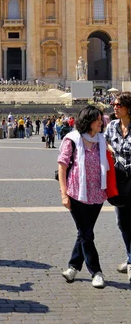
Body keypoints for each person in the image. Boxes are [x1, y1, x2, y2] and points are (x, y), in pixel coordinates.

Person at [57, 106, 108, 289]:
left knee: (84, 233)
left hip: (97, 194)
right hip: (76, 193)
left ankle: (73, 267)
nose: (101, 123)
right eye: (97, 120)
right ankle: (96, 272)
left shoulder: (101, 140)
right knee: (87, 233)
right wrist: (64, 194)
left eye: (101, 119)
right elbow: (62, 167)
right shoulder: (71, 140)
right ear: (88, 122)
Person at [104, 92, 131, 282]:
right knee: (122, 222)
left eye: (118, 104)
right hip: (120, 181)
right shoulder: (112, 126)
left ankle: (130, 261)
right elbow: (103, 143)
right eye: (114, 104)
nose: (114, 106)